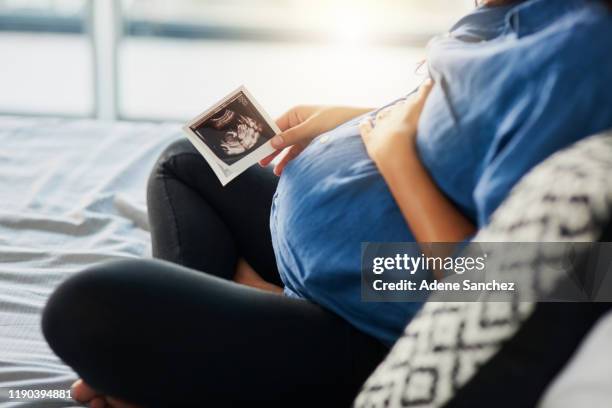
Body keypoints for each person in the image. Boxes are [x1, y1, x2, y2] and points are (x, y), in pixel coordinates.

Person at [42, 0, 612, 406]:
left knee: (87, 307)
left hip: (365, 320)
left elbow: (509, 284)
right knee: (185, 164)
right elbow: (469, 124)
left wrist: (395, 154)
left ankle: (188, 353)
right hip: (337, 266)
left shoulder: (581, 51)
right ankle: (210, 334)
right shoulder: (516, 12)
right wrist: (359, 118)